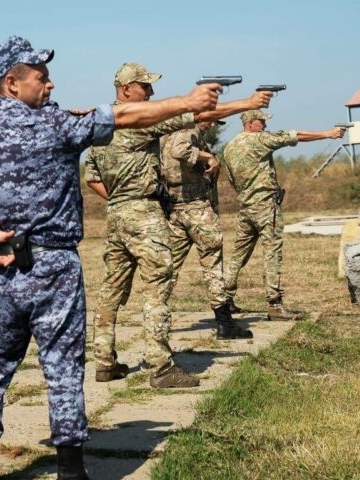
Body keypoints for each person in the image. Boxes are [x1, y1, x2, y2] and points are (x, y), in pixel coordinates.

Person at [0, 37, 220, 480]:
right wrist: (186, 101)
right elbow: (124, 116)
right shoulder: (53, 126)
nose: (50, 86)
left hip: (3, 268)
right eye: (41, 78)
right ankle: (71, 470)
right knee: (63, 367)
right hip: (54, 271)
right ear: (11, 83)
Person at [85, 63, 272, 389]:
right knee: (157, 289)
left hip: (116, 214)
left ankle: (104, 362)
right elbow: (194, 116)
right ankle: (160, 367)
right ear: (126, 89)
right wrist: (247, 103)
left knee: (111, 290)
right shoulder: (135, 122)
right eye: (146, 87)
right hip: (144, 214)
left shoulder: (99, 128)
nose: (152, 93)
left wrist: (120, 198)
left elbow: (91, 178)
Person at [222, 109, 345, 320]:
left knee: (237, 255)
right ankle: (274, 304)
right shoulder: (259, 139)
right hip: (266, 206)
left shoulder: (229, 147)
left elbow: (232, 181)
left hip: (246, 207)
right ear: (250, 123)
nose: (265, 125)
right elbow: (295, 136)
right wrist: (328, 134)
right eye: (261, 122)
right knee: (272, 254)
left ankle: (224, 299)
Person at [159, 120, 253, 339]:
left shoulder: (165, 134)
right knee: (212, 266)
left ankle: (155, 315)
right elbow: (180, 151)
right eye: (211, 120)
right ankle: (224, 323)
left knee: (167, 267)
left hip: (174, 209)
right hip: (197, 209)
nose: (212, 125)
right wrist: (208, 157)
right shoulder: (187, 133)